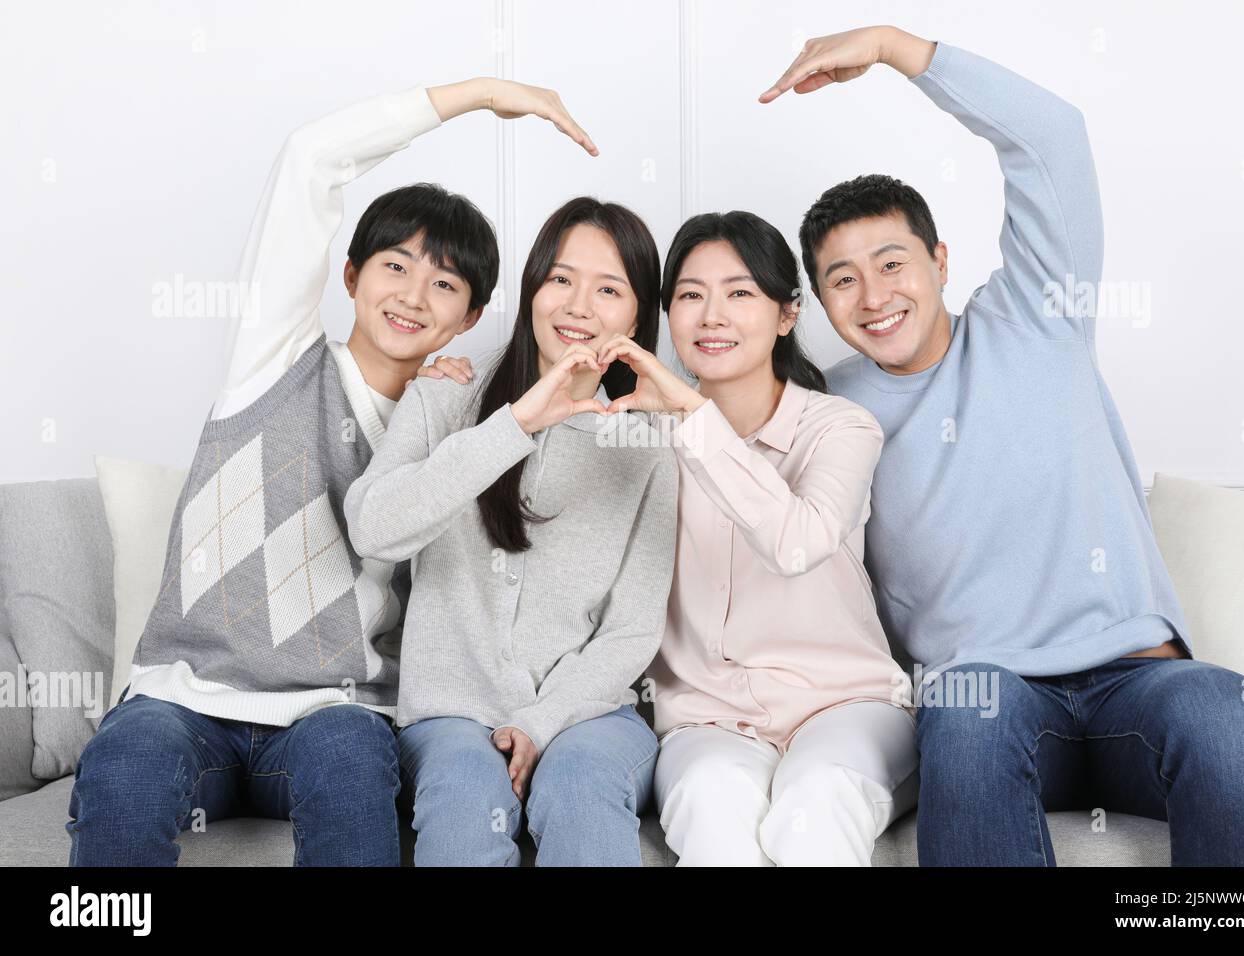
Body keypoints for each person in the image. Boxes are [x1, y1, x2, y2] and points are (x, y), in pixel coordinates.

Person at [767, 24, 1244, 865]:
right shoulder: (829, 409)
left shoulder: (1037, 317)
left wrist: (893, 47)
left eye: (892, 262)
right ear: (822, 306)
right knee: (969, 724)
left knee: (1231, 716)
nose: (874, 296)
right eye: (842, 279)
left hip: (1140, 679)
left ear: (940, 261)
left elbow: (1052, 137)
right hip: (989, 695)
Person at [67, 76, 596, 866]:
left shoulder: (464, 430)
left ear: (472, 317)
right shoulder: (270, 360)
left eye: (445, 284)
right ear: (350, 277)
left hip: (337, 712)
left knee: (351, 772)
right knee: (124, 773)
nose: (414, 296)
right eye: (395, 267)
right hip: (185, 700)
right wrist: (482, 94)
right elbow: (310, 158)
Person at [343, 197, 678, 867]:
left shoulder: (649, 447)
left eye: (608, 289)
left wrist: (538, 723)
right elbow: (374, 528)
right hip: (450, 715)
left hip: (590, 717)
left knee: (580, 790)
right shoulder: (444, 397)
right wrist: (514, 426)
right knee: (466, 798)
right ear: (530, 293)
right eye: (560, 279)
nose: (578, 306)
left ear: (637, 316)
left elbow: (633, 630)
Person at [596, 210, 918, 865]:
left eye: (740, 293)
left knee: (816, 803)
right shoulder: (641, 438)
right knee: (715, 810)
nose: (712, 316)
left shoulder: (841, 429)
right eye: (690, 295)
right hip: (706, 715)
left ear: (786, 314)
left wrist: (694, 418)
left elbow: (797, 543)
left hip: (845, 703)